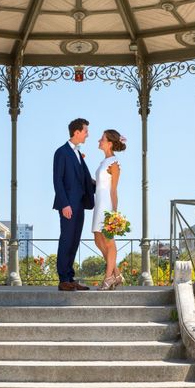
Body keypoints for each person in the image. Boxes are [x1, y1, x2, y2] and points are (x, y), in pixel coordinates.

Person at [53, 118, 95, 291]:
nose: (88, 134)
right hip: (68, 205)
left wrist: (104, 181)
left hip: (80, 204)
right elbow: (57, 180)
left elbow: (85, 179)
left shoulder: (78, 153)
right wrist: (64, 204)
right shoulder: (61, 152)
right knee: (66, 240)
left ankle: (70, 277)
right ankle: (63, 279)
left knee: (75, 241)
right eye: (86, 131)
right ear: (76, 132)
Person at [91, 129, 126, 290]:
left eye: (102, 139)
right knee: (98, 240)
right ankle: (117, 275)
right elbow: (98, 185)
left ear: (109, 143)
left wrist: (114, 213)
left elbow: (113, 190)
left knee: (109, 242)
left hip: (106, 206)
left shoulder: (114, 163)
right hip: (98, 203)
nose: (99, 140)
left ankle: (108, 278)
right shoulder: (103, 162)